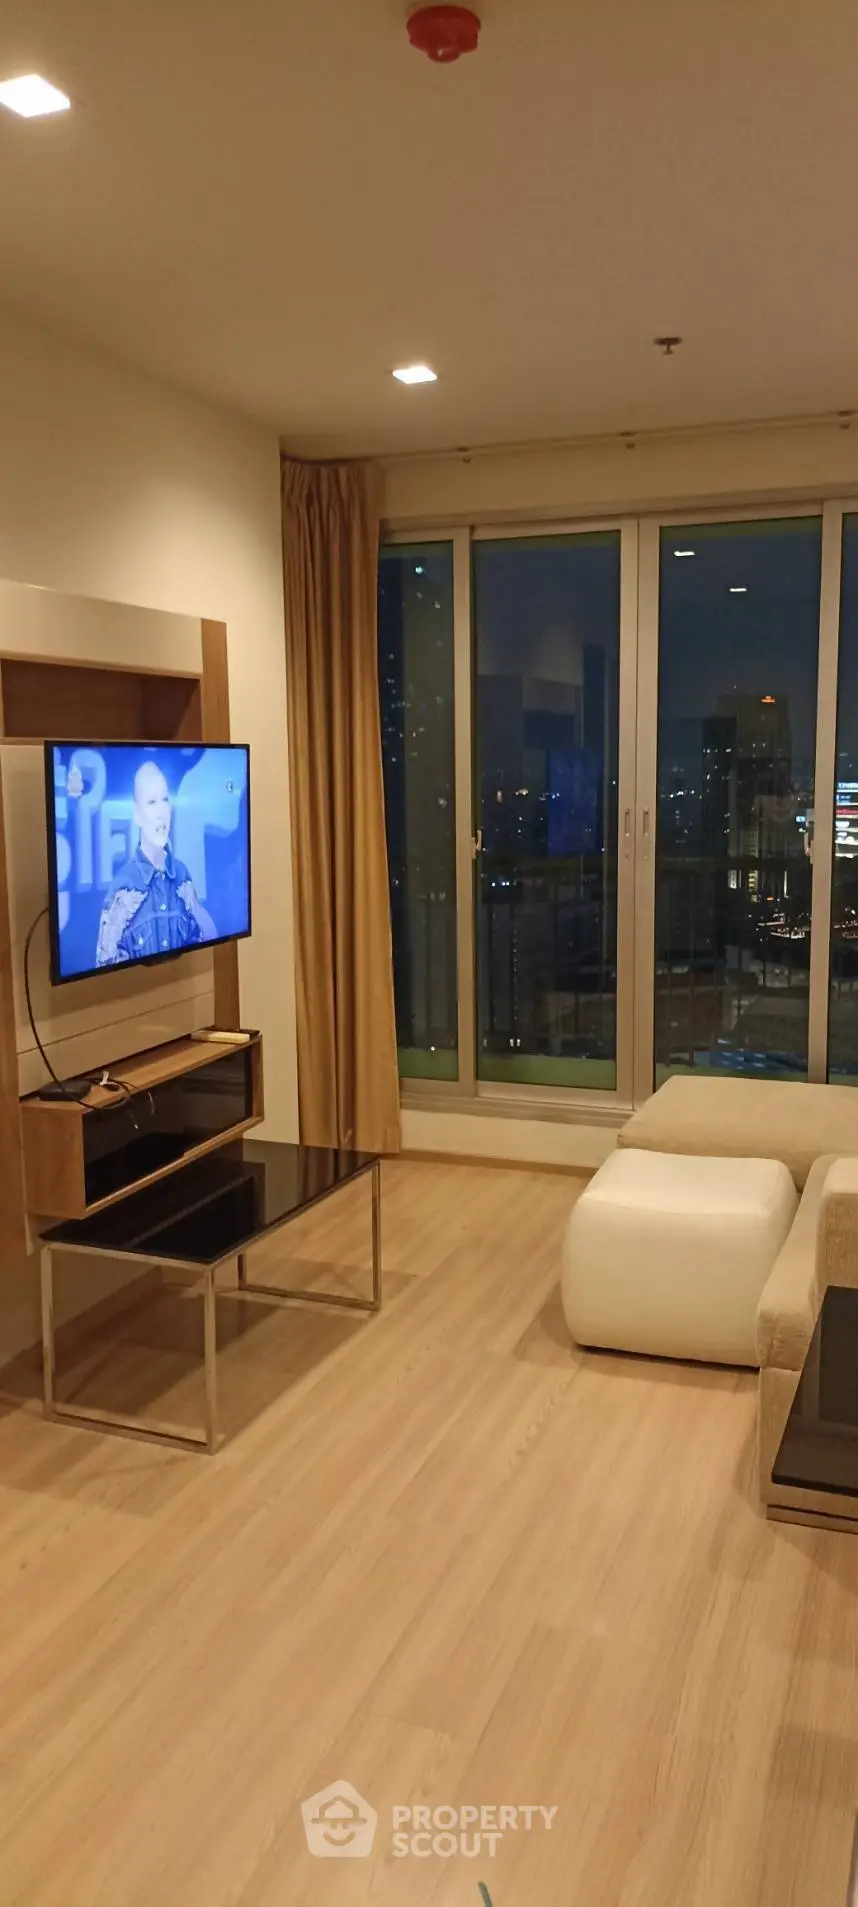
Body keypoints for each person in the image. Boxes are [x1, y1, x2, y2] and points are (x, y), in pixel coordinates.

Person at [95, 761, 217, 966]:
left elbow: (209, 939)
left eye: (165, 800)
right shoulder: (123, 888)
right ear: (137, 814)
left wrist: (195, 907)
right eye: (151, 802)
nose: (161, 812)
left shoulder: (181, 876)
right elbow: (104, 965)